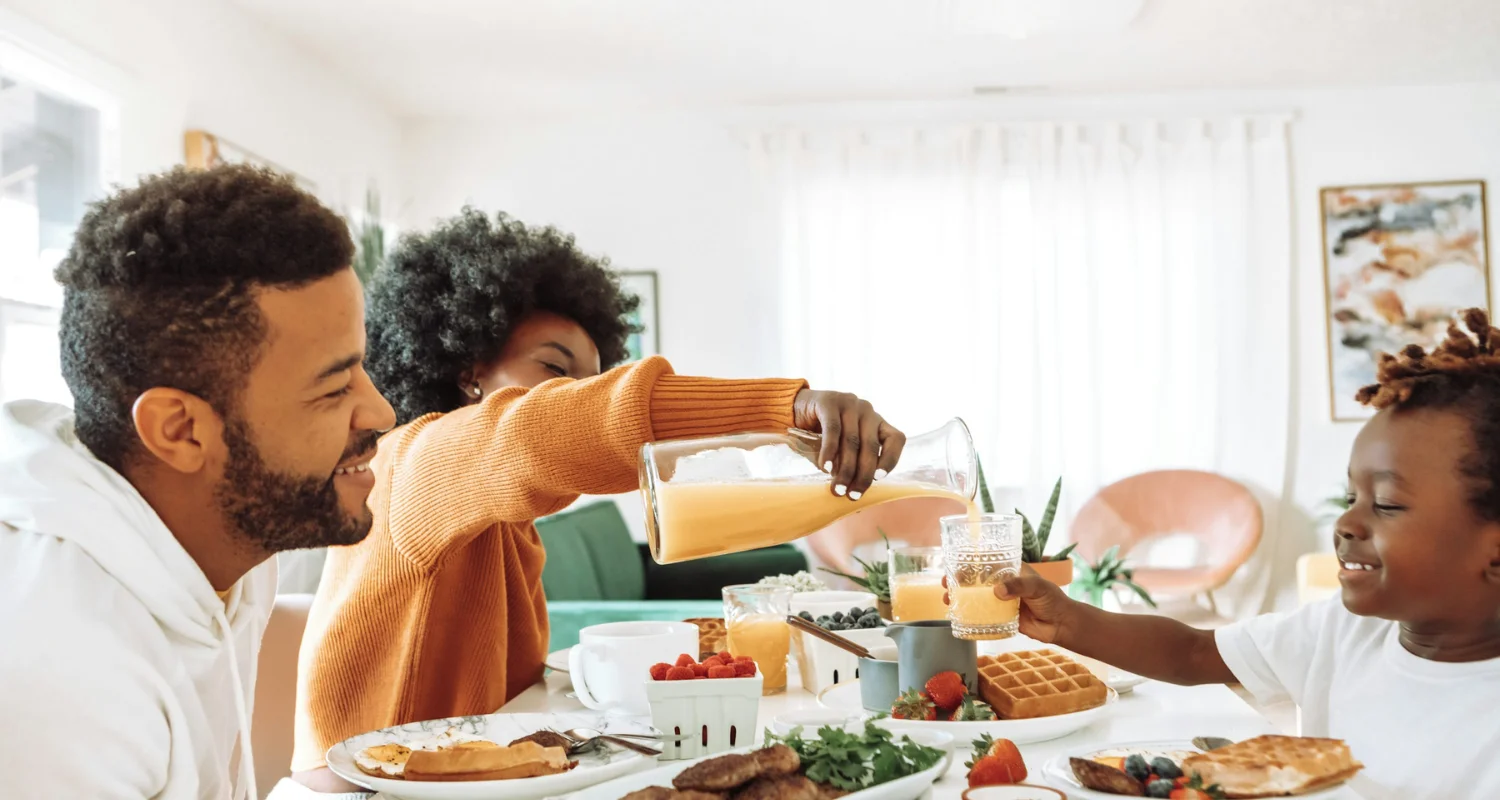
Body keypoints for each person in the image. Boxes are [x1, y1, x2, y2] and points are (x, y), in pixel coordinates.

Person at [277, 209, 904, 796]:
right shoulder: (415, 464)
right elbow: (533, 430)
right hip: (362, 787)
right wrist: (777, 409)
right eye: (556, 370)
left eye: (593, 381)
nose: (576, 395)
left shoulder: (503, 519)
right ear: (470, 371)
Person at [0, 165, 397, 799]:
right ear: (181, 431)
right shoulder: (64, 668)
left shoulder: (224, 529)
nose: (381, 413)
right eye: (333, 387)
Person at [990, 308, 1500, 799]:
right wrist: (1068, 621)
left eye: (1386, 504)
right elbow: (1192, 652)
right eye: (1350, 498)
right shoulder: (1340, 633)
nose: (1346, 523)